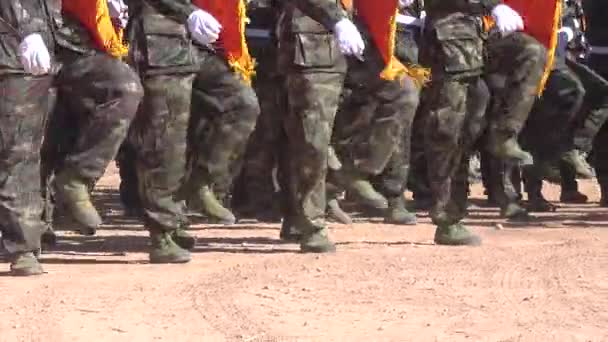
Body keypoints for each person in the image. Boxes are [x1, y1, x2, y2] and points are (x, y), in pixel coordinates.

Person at [44, 0, 143, 237]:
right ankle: (32, 227)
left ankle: (75, 180)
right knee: (38, 133)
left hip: (78, 40)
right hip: (20, 37)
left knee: (124, 89)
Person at [277, 0, 365, 251]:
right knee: (311, 137)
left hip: (346, 41)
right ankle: (311, 223)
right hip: (312, 43)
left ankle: (301, 213)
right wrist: (337, 18)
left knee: (313, 136)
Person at [0, 0, 54, 276]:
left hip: (25, 57)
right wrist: (28, 30)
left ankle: (23, 243)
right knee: (18, 152)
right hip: (13, 52)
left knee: (21, 150)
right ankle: (22, 247)